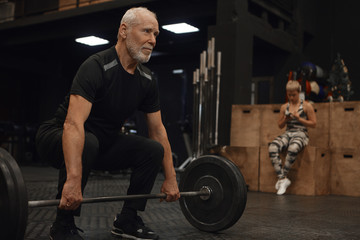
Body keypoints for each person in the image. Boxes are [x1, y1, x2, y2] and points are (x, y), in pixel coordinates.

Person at [35, 7, 180, 240]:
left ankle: (127, 219)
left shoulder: (147, 80)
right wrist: (73, 182)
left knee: (152, 149)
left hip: (101, 143)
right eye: (146, 31)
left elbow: (157, 130)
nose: (153, 40)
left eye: (156, 34)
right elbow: (72, 124)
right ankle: (62, 224)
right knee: (88, 142)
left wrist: (171, 178)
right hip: (58, 135)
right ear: (124, 31)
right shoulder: (96, 66)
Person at [268, 80, 316, 195]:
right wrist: (286, 119)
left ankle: (282, 177)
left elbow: (314, 124)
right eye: (289, 95)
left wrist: (300, 119)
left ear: (299, 92)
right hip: (288, 133)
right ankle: (283, 179)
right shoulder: (285, 107)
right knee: (273, 147)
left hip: (301, 133)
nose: (291, 97)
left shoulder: (306, 106)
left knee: (293, 148)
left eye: (293, 95)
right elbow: (280, 125)